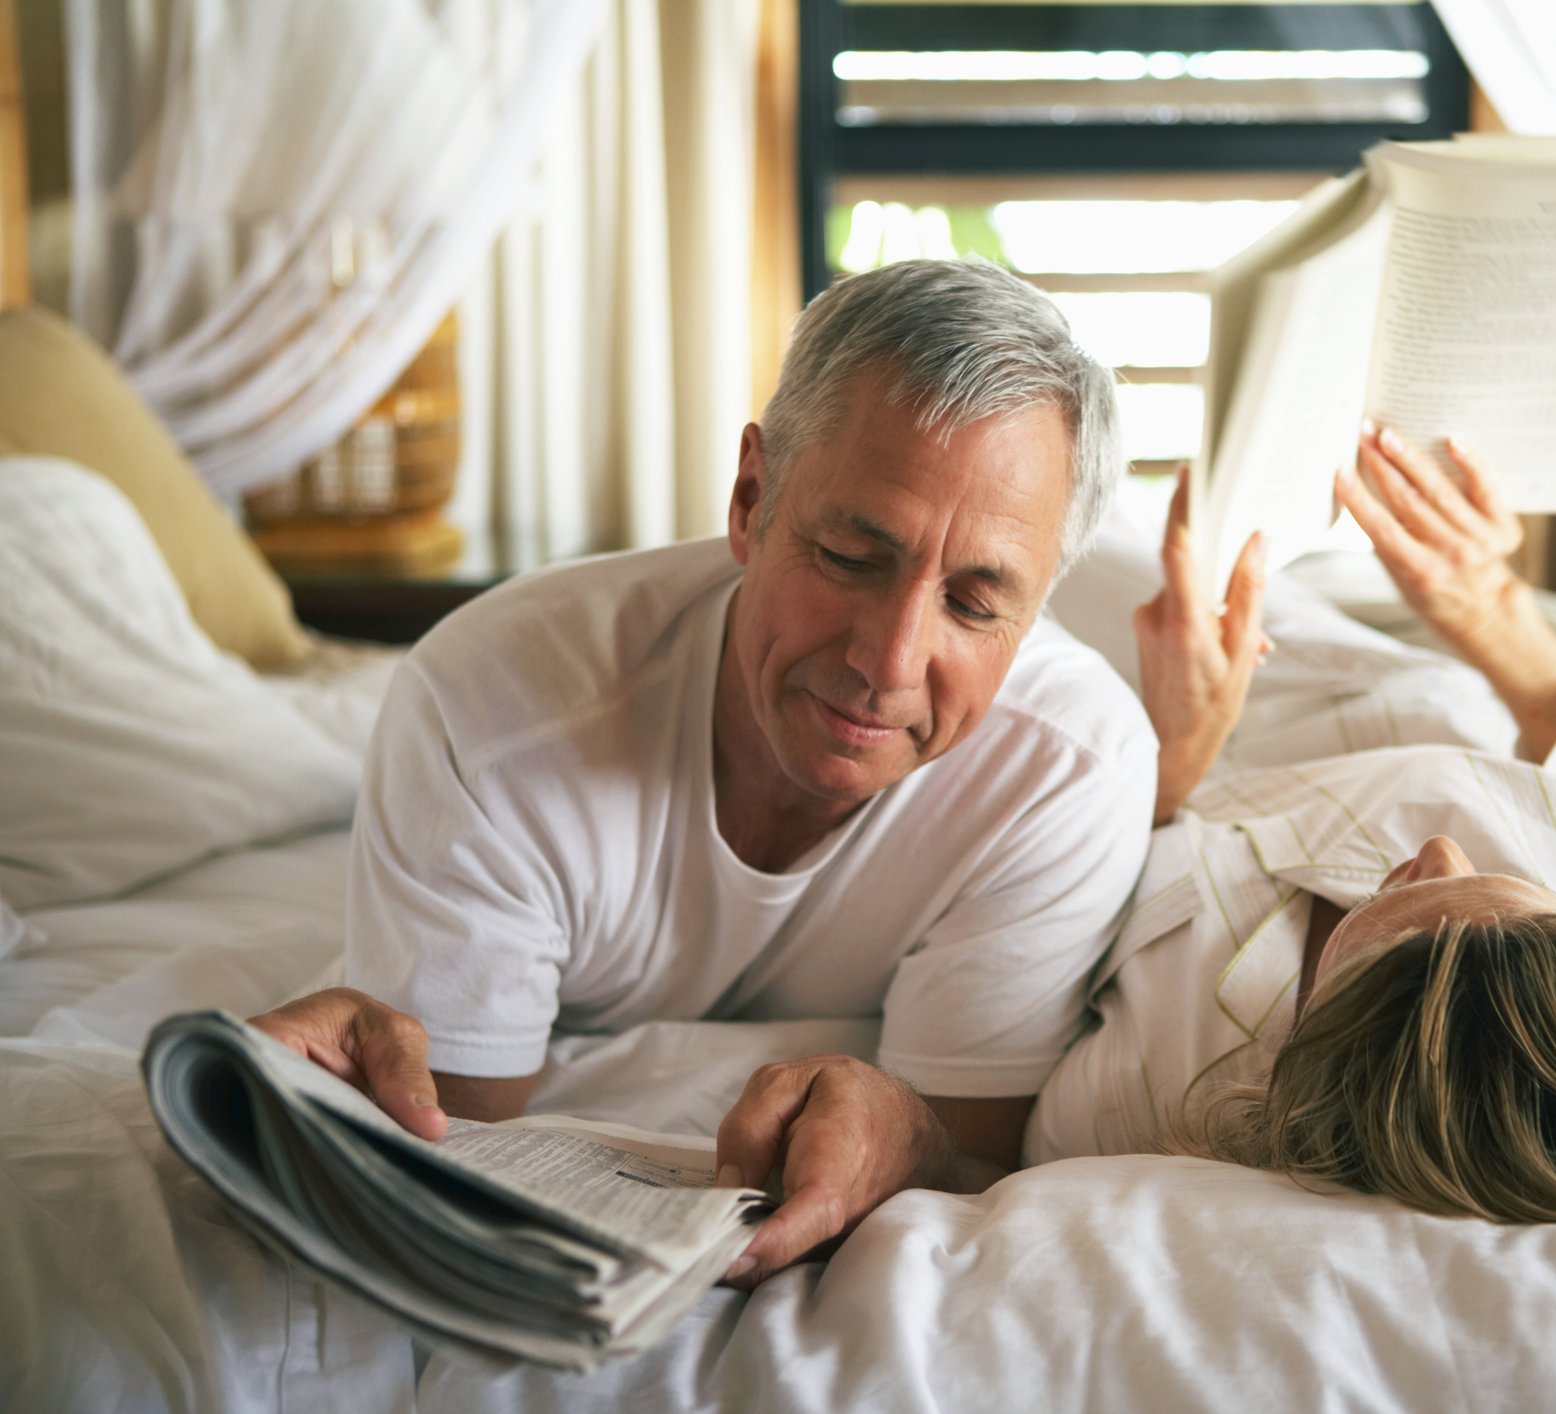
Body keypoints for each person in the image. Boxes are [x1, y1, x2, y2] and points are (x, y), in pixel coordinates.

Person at [248, 259, 1173, 1285]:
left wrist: (907, 1127)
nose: (889, 662)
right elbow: (456, 1147)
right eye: (853, 557)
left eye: (975, 602)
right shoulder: (490, 706)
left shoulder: (1070, 772)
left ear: (1034, 609)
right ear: (751, 498)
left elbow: (965, 1150)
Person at [1028, 423, 1556, 1226]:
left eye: (1390, 905)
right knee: (1084, 515)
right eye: (1491, 879)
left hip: (1124, 789)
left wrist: (1172, 756)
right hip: (1352, 700)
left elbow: (1021, 941)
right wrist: (1484, 604)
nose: (1436, 849)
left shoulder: (1146, 1090)